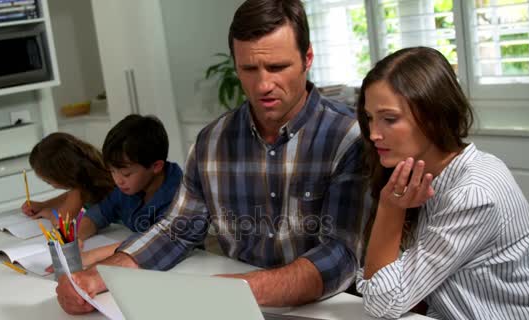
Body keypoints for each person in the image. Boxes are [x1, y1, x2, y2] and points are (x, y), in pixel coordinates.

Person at [56, 0, 368, 315]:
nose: (263, 85)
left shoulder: (348, 137)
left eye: (277, 67)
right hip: (235, 307)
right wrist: (98, 277)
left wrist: (240, 289)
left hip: (325, 308)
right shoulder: (212, 141)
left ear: (307, 58)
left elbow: (340, 255)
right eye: (249, 69)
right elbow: (176, 229)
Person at [355, 47, 529, 319]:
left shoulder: (473, 195)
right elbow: (388, 285)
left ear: (433, 116)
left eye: (389, 119)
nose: (373, 134)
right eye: (370, 118)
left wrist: (389, 209)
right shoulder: (426, 175)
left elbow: (382, 302)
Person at [73, 114, 184, 264]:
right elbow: (99, 214)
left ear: (156, 166)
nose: (118, 180)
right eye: (112, 171)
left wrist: (92, 256)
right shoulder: (130, 187)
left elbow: (154, 241)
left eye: (126, 174)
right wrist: (76, 240)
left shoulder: (179, 195)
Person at [21, 132, 114, 225]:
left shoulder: (80, 187)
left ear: (62, 174)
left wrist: (49, 213)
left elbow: (61, 223)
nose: (48, 183)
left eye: (48, 182)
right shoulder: (89, 171)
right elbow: (68, 197)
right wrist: (43, 205)